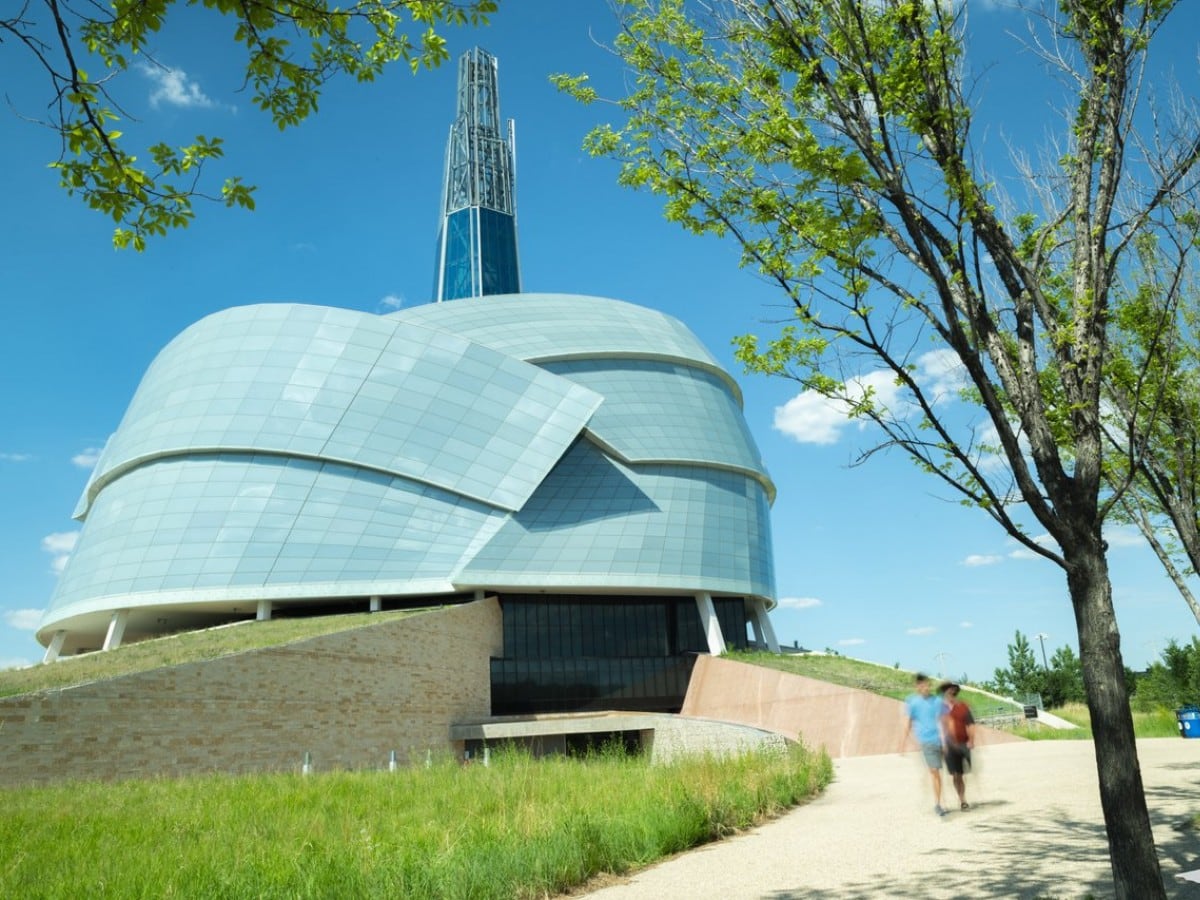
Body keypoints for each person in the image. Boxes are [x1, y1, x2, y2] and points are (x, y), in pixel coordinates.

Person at [901, 672, 946, 816]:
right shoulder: (912, 702)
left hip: (939, 740)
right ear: (918, 687)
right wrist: (903, 743)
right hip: (926, 741)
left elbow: (942, 721)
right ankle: (938, 804)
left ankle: (950, 797)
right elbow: (908, 722)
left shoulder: (937, 701)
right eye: (923, 685)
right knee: (934, 770)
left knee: (943, 772)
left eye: (928, 684)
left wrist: (945, 741)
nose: (926, 687)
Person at [939, 681, 976, 811]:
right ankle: (962, 800)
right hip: (949, 745)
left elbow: (970, 724)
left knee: (962, 774)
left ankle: (963, 798)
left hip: (963, 743)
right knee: (956, 774)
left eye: (953, 692)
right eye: (948, 692)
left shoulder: (963, 707)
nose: (950, 694)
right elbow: (939, 728)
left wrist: (971, 740)